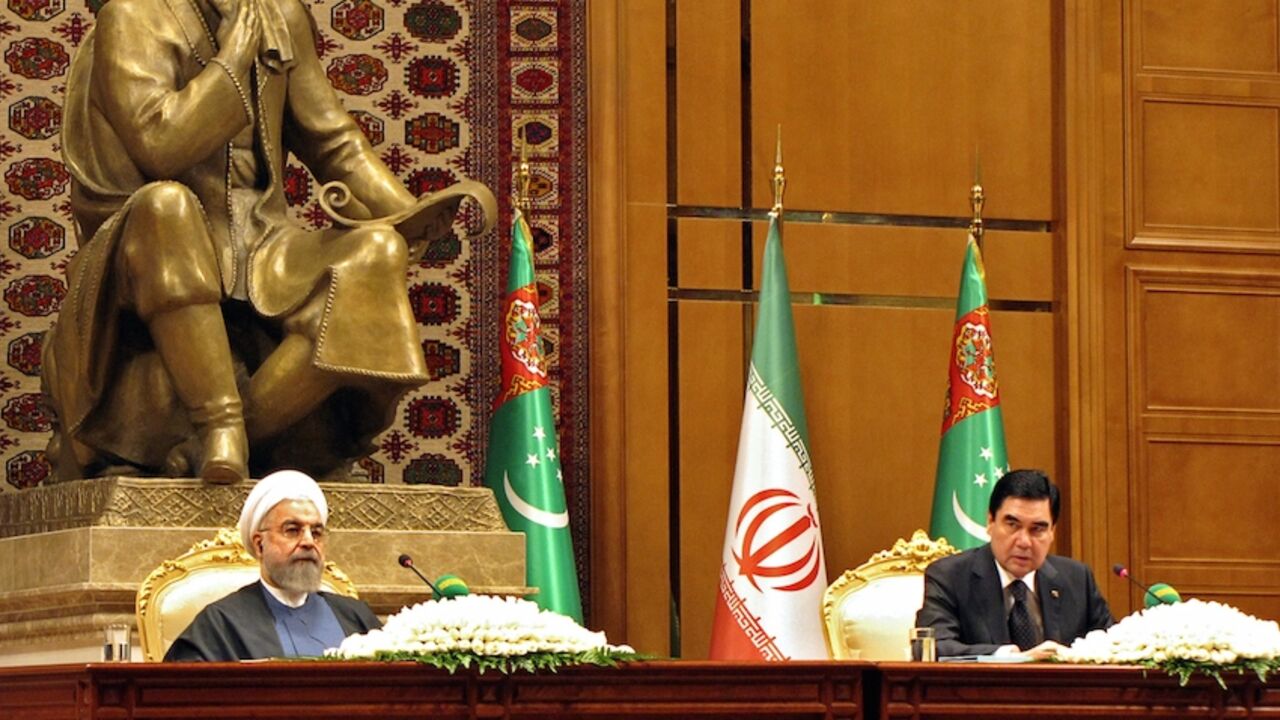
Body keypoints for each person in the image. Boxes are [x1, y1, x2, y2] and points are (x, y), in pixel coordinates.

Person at [44, 0, 490, 484]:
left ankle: (230, 443)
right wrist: (234, 59)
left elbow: (335, 143)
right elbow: (162, 145)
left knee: (378, 251)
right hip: (143, 243)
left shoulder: (281, 15)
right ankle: (219, 425)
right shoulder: (133, 16)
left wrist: (409, 213)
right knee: (166, 206)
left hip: (263, 244)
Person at [165, 469, 380, 661]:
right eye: (292, 530)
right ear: (260, 545)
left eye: (316, 533)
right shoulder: (220, 624)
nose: (308, 542)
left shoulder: (356, 617)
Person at [916, 469, 1113, 659]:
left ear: (1052, 531)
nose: (1024, 542)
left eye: (1037, 529)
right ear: (990, 521)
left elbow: (1113, 645)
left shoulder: (1077, 578)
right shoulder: (949, 576)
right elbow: (933, 647)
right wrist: (1010, 657)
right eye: (1012, 525)